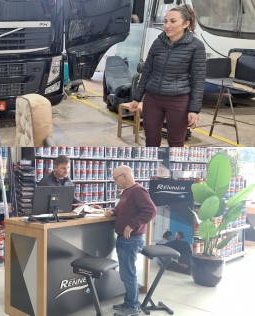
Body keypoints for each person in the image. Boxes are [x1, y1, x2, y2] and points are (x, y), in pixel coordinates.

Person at [128, 4, 206, 147]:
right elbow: (147, 72)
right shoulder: (158, 43)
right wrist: (137, 97)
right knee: (151, 141)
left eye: (173, 21)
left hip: (178, 101)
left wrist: (194, 110)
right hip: (152, 99)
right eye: (165, 21)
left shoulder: (196, 46)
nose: (167, 25)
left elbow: (198, 80)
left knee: (176, 143)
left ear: (186, 24)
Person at [104, 165, 157, 316]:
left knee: (128, 274)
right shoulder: (127, 192)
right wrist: (112, 211)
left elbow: (151, 210)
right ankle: (129, 302)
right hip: (125, 239)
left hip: (131, 240)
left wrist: (133, 224)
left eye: (116, 178)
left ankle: (133, 307)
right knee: (126, 273)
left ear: (125, 175)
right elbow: (121, 209)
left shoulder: (137, 190)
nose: (115, 182)